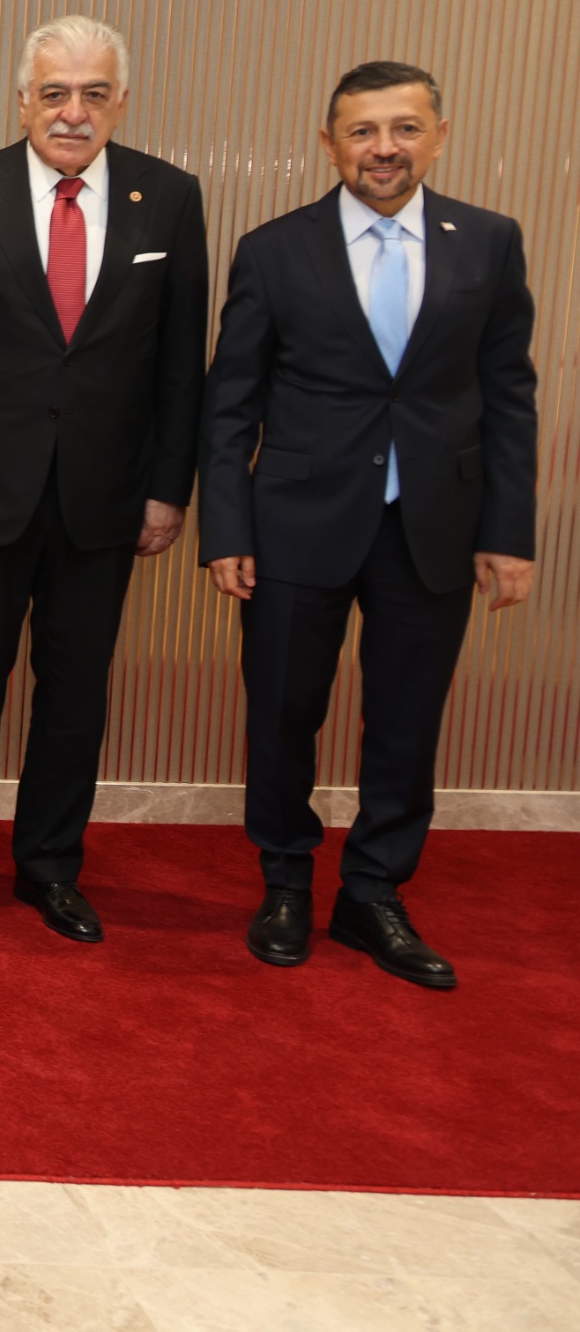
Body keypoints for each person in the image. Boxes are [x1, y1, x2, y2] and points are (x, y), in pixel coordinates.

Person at [200, 61, 536, 989]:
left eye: (404, 128)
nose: (384, 148)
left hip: (434, 526)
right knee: (281, 714)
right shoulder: (274, 249)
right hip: (294, 525)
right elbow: (230, 403)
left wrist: (509, 531)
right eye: (362, 131)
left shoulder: (489, 243)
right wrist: (226, 530)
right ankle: (285, 882)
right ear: (330, 143)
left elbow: (509, 395)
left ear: (438, 136)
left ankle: (374, 891)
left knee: (406, 720)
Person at [0, 15, 208, 942]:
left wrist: (168, 489)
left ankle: (51, 868)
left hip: (104, 498)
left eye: (93, 94)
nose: (74, 112)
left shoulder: (168, 198)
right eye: (55, 93)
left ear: (120, 103)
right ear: (23, 100)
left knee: (75, 694)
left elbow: (182, 362)